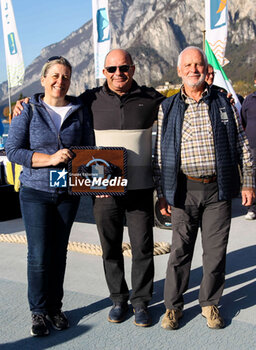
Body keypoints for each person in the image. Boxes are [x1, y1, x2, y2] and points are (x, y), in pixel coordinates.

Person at [13, 49, 165, 327]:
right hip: (82, 188)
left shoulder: (149, 98)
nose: (118, 73)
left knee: (141, 247)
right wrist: (23, 105)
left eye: (123, 68)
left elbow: (181, 105)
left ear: (132, 68)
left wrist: (223, 94)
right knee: (104, 248)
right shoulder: (87, 100)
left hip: (134, 188)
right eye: (111, 69)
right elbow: (17, 147)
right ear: (103, 72)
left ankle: (141, 302)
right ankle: (117, 300)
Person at [154, 46, 255, 330]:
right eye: (188, 65)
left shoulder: (224, 103)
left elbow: (241, 144)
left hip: (217, 190)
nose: (193, 69)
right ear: (179, 71)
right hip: (184, 190)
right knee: (179, 251)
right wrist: (163, 192)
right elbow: (160, 155)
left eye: (198, 64)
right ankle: (173, 307)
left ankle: (209, 304)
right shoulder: (168, 107)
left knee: (215, 252)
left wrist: (248, 181)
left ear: (206, 69)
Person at [5, 56, 94, 337]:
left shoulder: (79, 110)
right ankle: (39, 312)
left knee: (59, 253)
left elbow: (89, 149)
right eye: (54, 76)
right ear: (43, 80)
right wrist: (49, 158)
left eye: (66, 76)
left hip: (67, 193)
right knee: (39, 255)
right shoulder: (28, 110)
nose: (60, 81)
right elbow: (13, 151)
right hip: (35, 192)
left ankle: (56, 308)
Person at [241, 71, 256, 219]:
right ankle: (253, 208)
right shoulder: (249, 100)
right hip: (253, 146)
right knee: (253, 176)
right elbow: (243, 120)